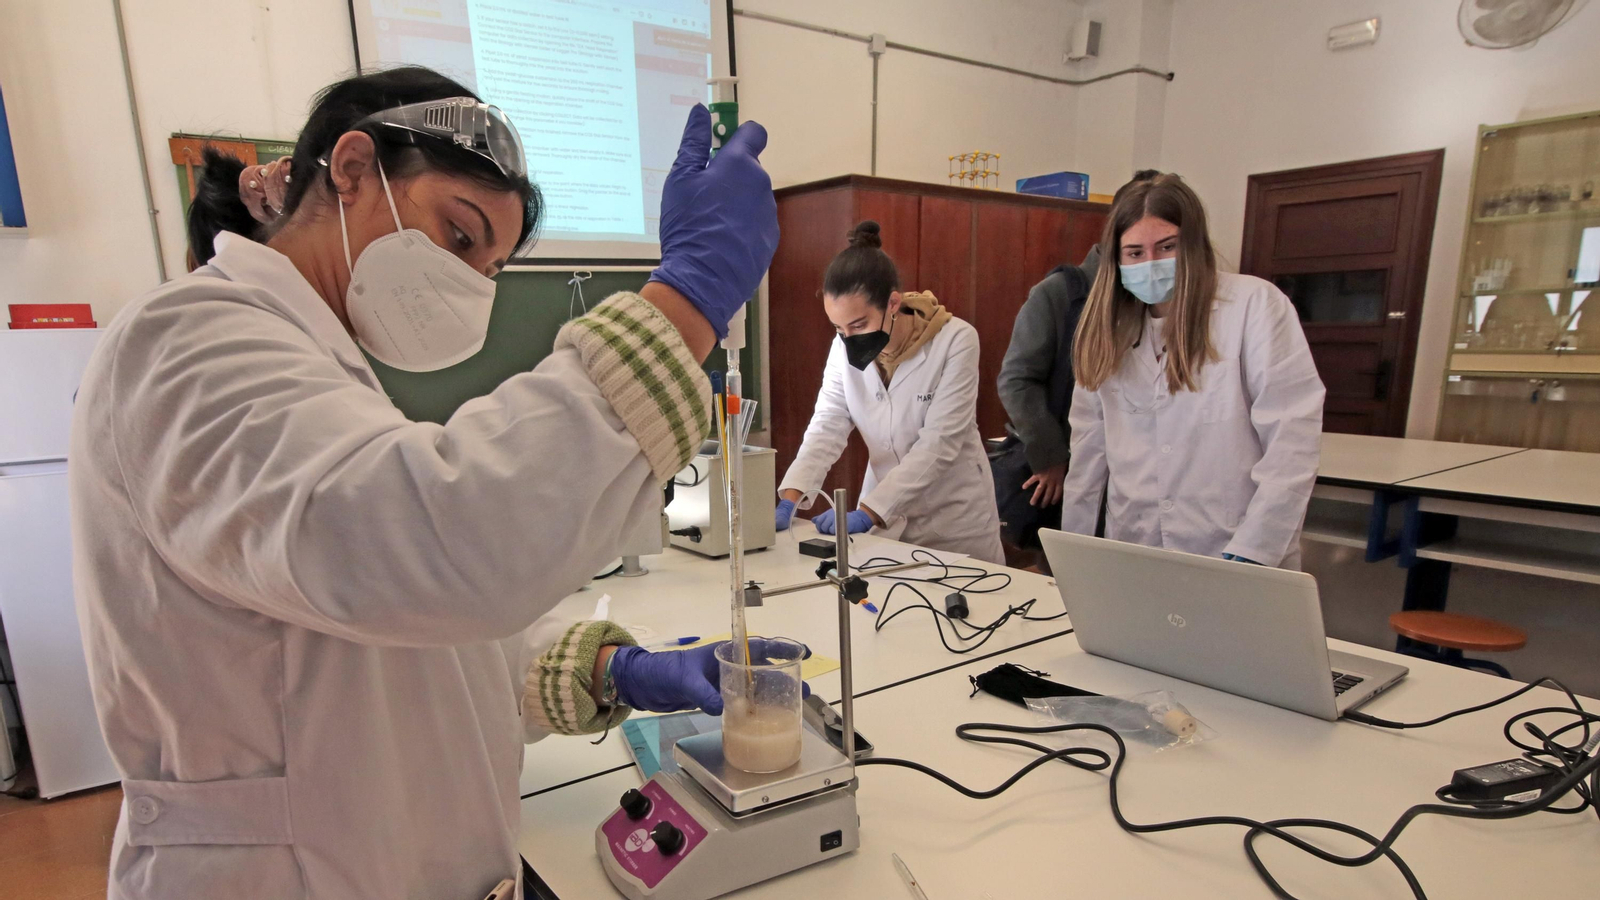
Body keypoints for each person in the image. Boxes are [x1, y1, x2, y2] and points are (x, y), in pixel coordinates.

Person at [69, 66, 786, 899]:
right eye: (459, 235)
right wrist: (686, 298)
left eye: (489, 269)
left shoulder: (320, 375)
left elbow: (398, 641)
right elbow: (431, 543)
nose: (471, 284)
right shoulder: (184, 341)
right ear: (350, 168)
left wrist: (607, 672)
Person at [1058, 173, 1324, 569]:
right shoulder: (1106, 331)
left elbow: (1292, 442)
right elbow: (1087, 454)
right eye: (1134, 253)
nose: (1151, 264)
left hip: (1234, 545)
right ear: (1116, 259)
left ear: (1193, 245)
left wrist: (1254, 550)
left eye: (1167, 247)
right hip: (1136, 543)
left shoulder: (1254, 306)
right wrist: (1072, 556)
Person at [773, 221, 1005, 564]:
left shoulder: (956, 339)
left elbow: (940, 443)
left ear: (893, 303)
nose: (849, 339)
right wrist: (791, 497)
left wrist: (868, 512)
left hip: (953, 521)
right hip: (885, 519)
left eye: (859, 325)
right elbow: (828, 425)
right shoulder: (844, 348)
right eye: (839, 328)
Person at [993, 171, 1158, 556]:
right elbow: (1017, 379)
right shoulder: (1060, 294)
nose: (1152, 260)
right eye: (1137, 247)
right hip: (1068, 470)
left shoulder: (1158, 303)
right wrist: (1051, 457)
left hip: (1139, 482)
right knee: (1071, 583)